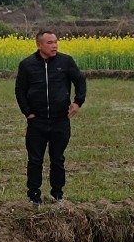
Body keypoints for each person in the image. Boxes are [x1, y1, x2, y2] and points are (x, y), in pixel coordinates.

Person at [15, 30, 86, 205]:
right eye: (49, 43)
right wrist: (28, 112)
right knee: (35, 160)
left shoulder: (66, 61)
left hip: (60, 120)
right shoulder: (27, 64)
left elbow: (80, 81)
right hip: (36, 121)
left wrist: (78, 102)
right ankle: (34, 195)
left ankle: (57, 194)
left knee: (58, 159)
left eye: (55, 42)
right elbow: (19, 90)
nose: (54, 45)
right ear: (39, 45)